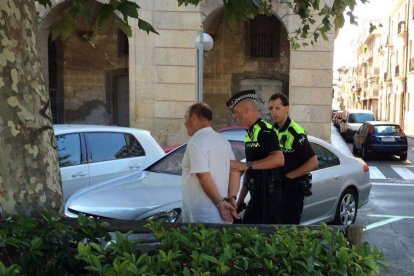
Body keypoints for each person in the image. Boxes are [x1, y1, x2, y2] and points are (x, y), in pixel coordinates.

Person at [226, 90, 285, 224]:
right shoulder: (250, 134)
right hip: (256, 196)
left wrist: (246, 165)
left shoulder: (266, 130)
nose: (234, 116)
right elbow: (250, 170)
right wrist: (240, 201)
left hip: (270, 199)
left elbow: (279, 159)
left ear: (247, 110)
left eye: (236, 112)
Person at [181, 102, 241, 223]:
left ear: (193, 117)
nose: (184, 122)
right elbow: (234, 170)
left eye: (186, 118)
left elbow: (203, 177)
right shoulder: (223, 140)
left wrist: (220, 204)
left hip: (203, 215)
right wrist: (231, 198)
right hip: (221, 213)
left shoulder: (196, 141)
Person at [268, 93, 319, 224]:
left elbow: (313, 162)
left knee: (289, 228)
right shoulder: (272, 131)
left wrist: (290, 176)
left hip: (293, 189)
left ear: (287, 108)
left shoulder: (295, 132)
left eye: (277, 108)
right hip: (276, 188)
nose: (274, 112)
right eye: (271, 108)